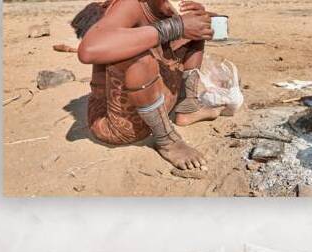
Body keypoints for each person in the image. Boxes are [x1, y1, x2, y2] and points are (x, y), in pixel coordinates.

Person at [73, 0, 225, 171]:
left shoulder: (163, 8)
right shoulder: (130, 5)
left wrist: (200, 22)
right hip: (118, 124)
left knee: (194, 30)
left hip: (156, 105)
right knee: (137, 56)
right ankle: (167, 141)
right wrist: (175, 26)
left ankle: (187, 107)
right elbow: (88, 51)